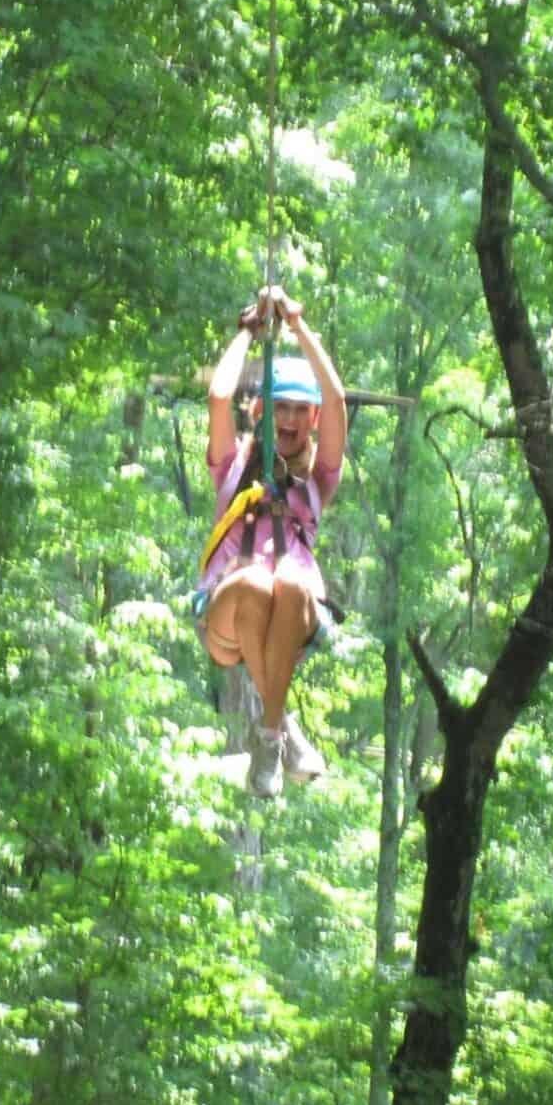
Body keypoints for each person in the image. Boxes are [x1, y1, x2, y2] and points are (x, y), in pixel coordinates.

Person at [196, 285, 347, 796]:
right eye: (278, 407)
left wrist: (299, 327)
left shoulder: (318, 479)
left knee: (288, 581)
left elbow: (337, 397)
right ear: (259, 411)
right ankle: (281, 731)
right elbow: (219, 396)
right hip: (230, 610)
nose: (288, 419)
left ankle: (269, 735)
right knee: (257, 580)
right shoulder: (231, 463)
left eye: (299, 411)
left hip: (293, 612)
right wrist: (248, 331)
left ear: (313, 420)